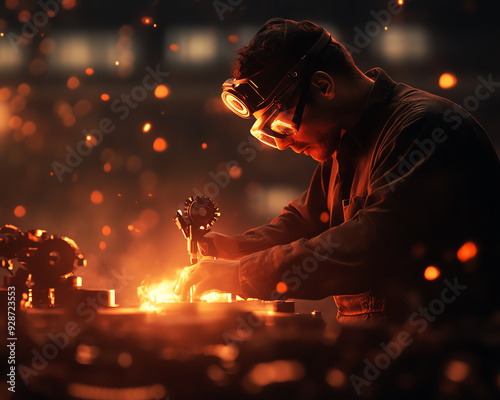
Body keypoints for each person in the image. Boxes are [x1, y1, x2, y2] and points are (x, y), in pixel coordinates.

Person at [174, 18, 500, 323]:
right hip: (382, 355)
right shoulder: (344, 142)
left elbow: (370, 245)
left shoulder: (424, 129)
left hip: (447, 357)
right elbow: (306, 222)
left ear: (323, 86)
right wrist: (231, 249)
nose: (284, 144)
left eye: (283, 125)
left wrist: (239, 275)